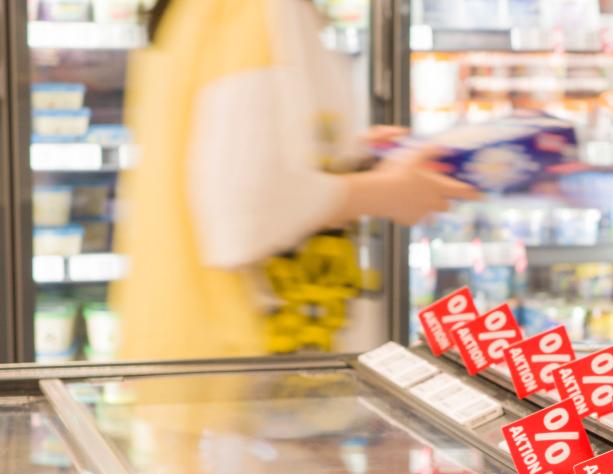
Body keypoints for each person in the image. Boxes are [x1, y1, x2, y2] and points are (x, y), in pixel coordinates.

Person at [112, 0, 475, 360]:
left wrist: (356, 158)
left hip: (238, 352)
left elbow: (233, 153)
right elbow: (245, 208)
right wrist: (383, 193)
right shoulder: (253, 15)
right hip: (255, 361)